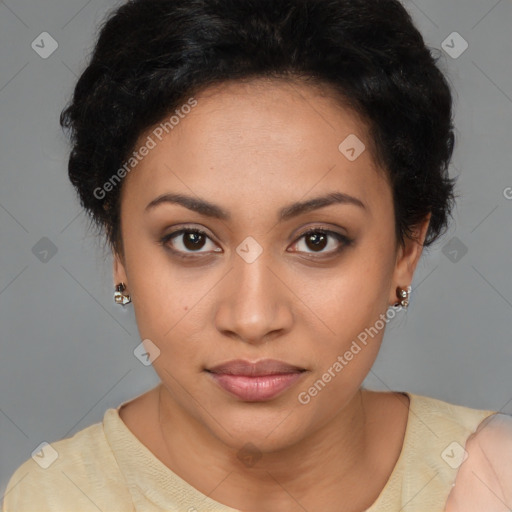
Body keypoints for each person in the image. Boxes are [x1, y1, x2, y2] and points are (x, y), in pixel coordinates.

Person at [3, 0, 511, 511]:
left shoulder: (495, 482)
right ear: (119, 249)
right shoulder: (55, 497)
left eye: (317, 240)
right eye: (192, 239)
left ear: (406, 249)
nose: (252, 318)